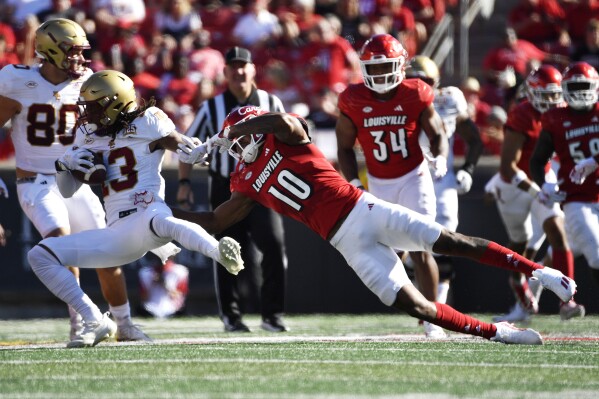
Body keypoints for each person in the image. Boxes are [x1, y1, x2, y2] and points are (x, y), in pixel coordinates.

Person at [174, 105, 578, 345]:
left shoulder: (286, 134)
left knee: (454, 242)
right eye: (232, 143)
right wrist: (166, 217)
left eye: (241, 137)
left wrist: (232, 129)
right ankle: (498, 333)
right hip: (346, 242)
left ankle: (540, 270)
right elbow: (215, 219)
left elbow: (279, 119)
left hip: (366, 209)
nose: (237, 148)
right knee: (417, 306)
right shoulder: (242, 180)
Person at [26, 69, 244, 348]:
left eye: (93, 106)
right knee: (40, 255)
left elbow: (184, 148)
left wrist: (203, 146)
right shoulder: (87, 134)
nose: (87, 113)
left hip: (146, 212)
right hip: (116, 231)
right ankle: (95, 319)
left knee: (161, 218)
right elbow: (68, 191)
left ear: (114, 103)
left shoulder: (149, 120)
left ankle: (219, 253)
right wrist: (63, 165)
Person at [0, 18, 157, 344]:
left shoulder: (89, 81)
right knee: (60, 242)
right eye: (71, 52)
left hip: (75, 181)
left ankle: (124, 324)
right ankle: (85, 320)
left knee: (107, 250)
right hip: (36, 181)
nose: (79, 59)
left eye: (81, 52)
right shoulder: (16, 81)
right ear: (49, 51)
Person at [335, 34, 448, 338]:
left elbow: (437, 133)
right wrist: (354, 183)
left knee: (423, 247)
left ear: (400, 67)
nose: (381, 75)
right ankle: (418, 308)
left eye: (387, 67)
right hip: (378, 183)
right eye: (374, 68)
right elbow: (344, 147)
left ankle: (433, 317)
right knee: (390, 255)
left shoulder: (415, 92)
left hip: (414, 176)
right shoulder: (352, 98)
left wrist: (441, 157)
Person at [178, 46, 289, 333]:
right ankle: (231, 316)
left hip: (264, 187)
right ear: (225, 72)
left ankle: (272, 315)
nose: (239, 71)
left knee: (274, 247)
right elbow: (188, 146)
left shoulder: (270, 101)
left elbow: (288, 139)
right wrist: (184, 183)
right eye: (233, 67)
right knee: (225, 250)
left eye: (244, 66)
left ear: (253, 70)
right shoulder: (212, 106)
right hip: (225, 187)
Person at [489, 65, 584, 322]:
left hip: (543, 177)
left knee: (557, 230)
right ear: (531, 93)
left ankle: (567, 301)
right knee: (521, 248)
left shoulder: (563, 113)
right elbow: (508, 167)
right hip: (515, 187)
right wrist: (534, 190)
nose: (551, 101)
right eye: (546, 95)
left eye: (555, 94)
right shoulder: (522, 115)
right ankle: (519, 290)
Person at [404, 55, 483, 314]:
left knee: (444, 241)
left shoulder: (448, 100)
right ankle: (420, 296)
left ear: (435, 82)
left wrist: (468, 169)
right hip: (406, 179)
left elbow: (474, 138)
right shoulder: (394, 101)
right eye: (413, 80)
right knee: (403, 244)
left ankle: (437, 305)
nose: (420, 86)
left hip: (440, 180)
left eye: (425, 81)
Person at [531, 61, 599, 288]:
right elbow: (537, 161)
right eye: (575, 87)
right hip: (578, 199)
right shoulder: (555, 118)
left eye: (584, 87)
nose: (580, 93)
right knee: (597, 256)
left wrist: (594, 160)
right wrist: (545, 185)